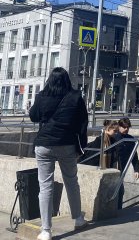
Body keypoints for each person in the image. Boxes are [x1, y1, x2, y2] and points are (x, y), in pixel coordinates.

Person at [29, 67, 88, 240]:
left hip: (44, 145)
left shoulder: (42, 96)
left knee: (45, 186)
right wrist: (81, 147)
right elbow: (82, 123)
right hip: (67, 145)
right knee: (71, 182)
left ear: (50, 80)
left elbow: (33, 116)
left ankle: (46, 230)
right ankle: (78, 219)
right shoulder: (75, 97)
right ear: (67, 80)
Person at [115, 117, 139, 209]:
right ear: (119, 126)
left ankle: (118, 210)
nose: (126, 129)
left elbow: (134, 156)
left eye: (128, 127)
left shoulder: (130, 139)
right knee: (119, 190)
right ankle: (117, 210)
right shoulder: (114, 137)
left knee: (120, 191)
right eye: (124, 127)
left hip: (122, 169)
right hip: (113, 167)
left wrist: (137, 169)